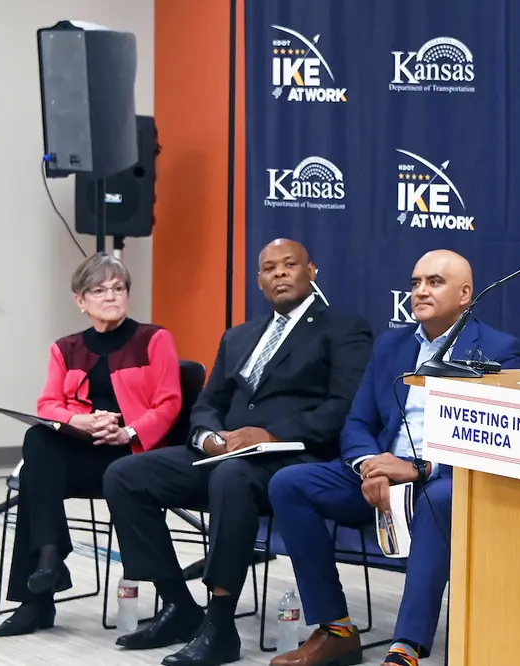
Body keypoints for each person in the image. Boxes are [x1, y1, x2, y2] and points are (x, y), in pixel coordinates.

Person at [103, 239, 373, 666]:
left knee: (232, 479)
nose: (280, 273)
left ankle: (220, 626)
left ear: (312, 272)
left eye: (290, 265)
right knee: (126, 474)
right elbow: (209, 403)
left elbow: (342, 407)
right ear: (260, 281)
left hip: (293, 458)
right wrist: (209, 437)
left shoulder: (344, 328)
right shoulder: (240, 335)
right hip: (226, 452)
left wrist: (268, 433)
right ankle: (177, 605)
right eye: (269, 268)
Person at [267, 250, 520, 666]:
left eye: (434, 282)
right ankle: (335, 630)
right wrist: (370, 465)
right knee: (290, 484)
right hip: (382, 474)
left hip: (444, 479)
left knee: (437, 499)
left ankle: (405, 648)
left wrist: (422, 469)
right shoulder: (393, 344)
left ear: (465, 294)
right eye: (415, 282)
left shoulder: (499, 351)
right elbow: (357, 422)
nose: (420, 291)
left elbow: (500, 441)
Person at [0, 254, 182, 638]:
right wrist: (76, 420)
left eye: (118, 288)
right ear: (81, 300)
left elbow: (170, 402)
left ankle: (39, 593)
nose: (111, 296)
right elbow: (47, 405)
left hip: (131, 456)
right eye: (99, 290)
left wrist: (127, 431)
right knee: (39, 438)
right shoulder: (66, 348)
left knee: (33, 475)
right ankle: (48, 560)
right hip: (82, 451)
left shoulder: (154, 339)